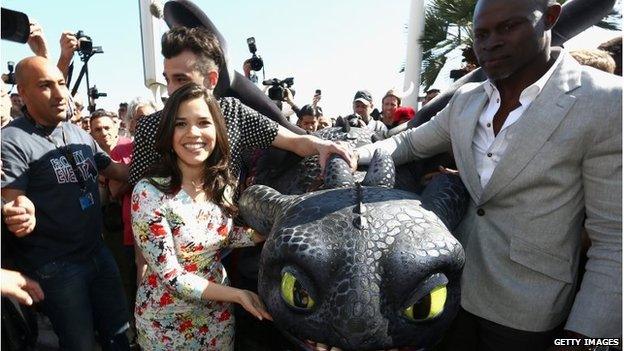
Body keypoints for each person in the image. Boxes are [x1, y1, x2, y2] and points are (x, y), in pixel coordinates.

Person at [353, 0, 621, 349]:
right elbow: (407, 144)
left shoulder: (606, 101)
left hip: (527, 316)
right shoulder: (465, 100)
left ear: (551, 18)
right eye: (481, 34)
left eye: (509, 26)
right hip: (445, 296)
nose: (491, 42)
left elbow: (616, 240)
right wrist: (349, 154)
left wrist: (585, 338)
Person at [1, 56, 132, 350]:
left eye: (61, 83)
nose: (60, 94)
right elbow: (14, 200)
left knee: (118, 333)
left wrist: (163, 164)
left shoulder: (76, 132)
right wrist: (21, 213)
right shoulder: (11, 140)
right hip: (57, 267)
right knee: (80, 343)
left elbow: (115, 170)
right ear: (22, 93)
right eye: (45, 86)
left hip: (97, 253)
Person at [132, 83, 271, 350]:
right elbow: (172, 276)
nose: (193, 133)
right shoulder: (148, 193)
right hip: (166, 324)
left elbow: (221, 235)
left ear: (217, 130)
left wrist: (265, 233)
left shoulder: (223, 184)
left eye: (203, 122)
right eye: (181, 124)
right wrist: (238, 295)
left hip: (218, 318)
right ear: (168, 133)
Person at [130, 26, 350, 189]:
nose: (170, 90)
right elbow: (139, 194)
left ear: (211, 80)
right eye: (167, 79)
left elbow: (293, 141)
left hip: (229, 241)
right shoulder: (150, 127)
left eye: (181, 80)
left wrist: (324, 146)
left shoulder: (233, 112)